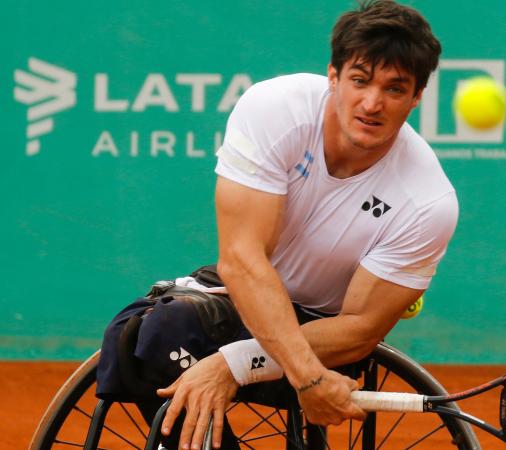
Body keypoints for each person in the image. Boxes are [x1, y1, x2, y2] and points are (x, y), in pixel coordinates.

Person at [97, 1, 456, 449]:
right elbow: (242, 260)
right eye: (360, 81)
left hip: (324, 336)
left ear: (417, 96)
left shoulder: (428, 201)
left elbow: (360, 329)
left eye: (395, 89)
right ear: (333, 76)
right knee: (153, 334)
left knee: (176, 350)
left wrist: (235, 363)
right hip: (244, 297)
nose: (372, 103)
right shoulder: (276, 110)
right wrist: (298, 377)